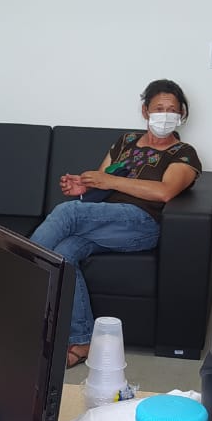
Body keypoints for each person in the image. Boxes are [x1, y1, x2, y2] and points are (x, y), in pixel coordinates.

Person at [30, 79, 201, 368]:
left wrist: (108, 181)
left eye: (172, 109)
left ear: (182, 114)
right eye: (159, 108)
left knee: (67, 213)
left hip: (142, 223)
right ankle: (82, 341)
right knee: (64, 254)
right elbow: (101, 182)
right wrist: (83, 187)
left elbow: (165, 192)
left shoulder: (184, 153)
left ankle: (18, 274)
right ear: (145, 111)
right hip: (106, 219)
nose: (165, 115)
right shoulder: (126, 142)